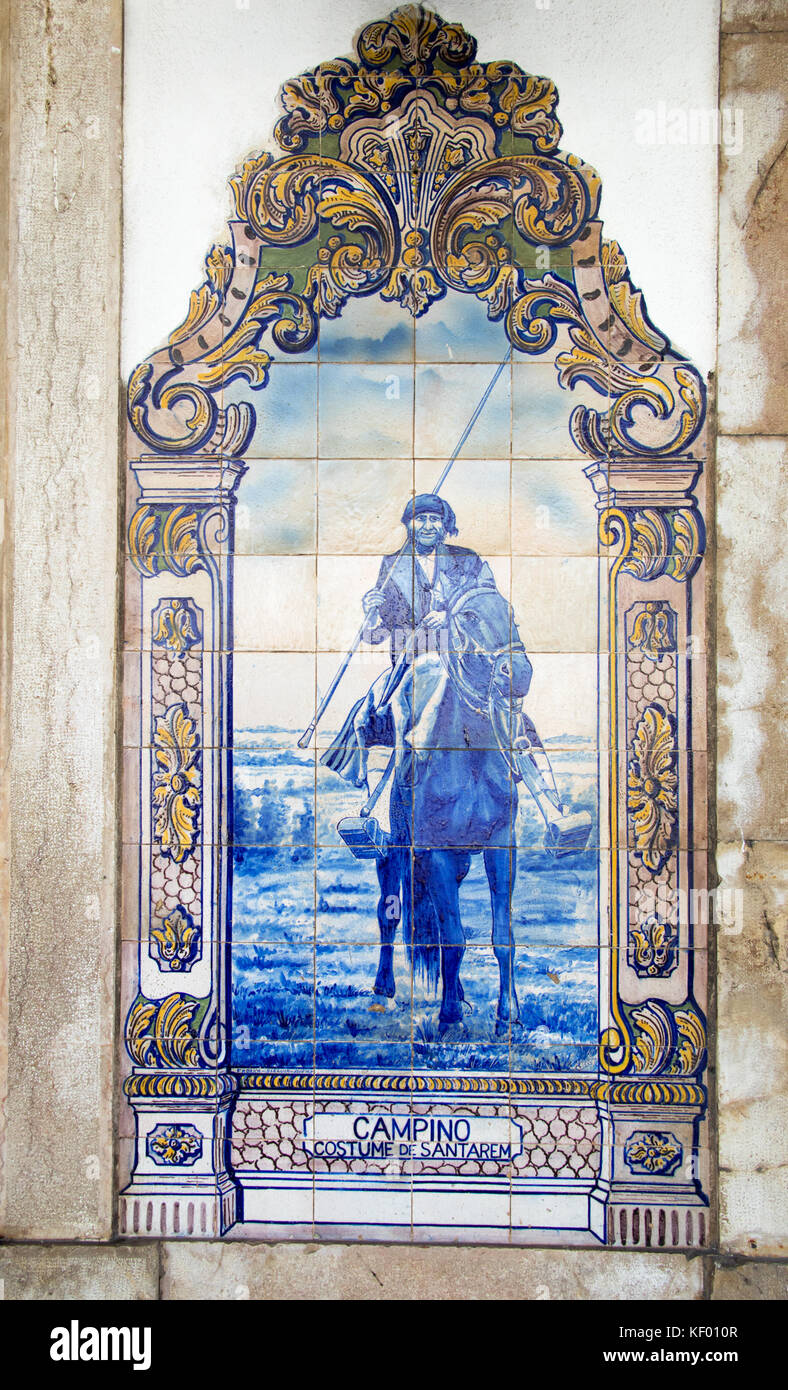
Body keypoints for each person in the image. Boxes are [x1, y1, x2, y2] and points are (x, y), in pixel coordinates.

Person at [361, 494, 498, 663]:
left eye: (434, 519)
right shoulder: (392, 565)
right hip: (411, 664)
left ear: (444, 524)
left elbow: (489, 609)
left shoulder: (466, 559)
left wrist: (449, 616)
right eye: (420, 519)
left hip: (462, 661)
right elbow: (376, 635)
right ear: (408, 524)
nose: (427, 526)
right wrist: (371, 615)